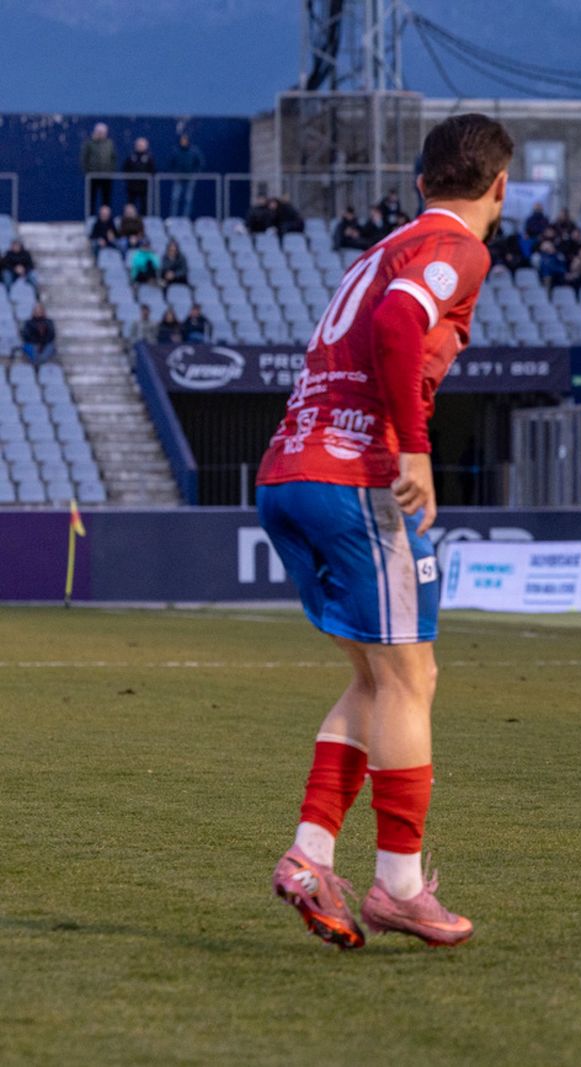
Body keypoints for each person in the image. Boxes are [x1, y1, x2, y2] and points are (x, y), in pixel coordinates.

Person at [256, 112, 511, 951]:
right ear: (500, 188)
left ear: (419, 181)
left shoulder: (382, 246)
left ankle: (309, 855)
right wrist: (416, 448)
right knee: (413, 677)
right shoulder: (457, 249)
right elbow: (402, 324)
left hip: (289, 471)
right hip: (353, 476)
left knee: (379, 679)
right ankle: (398, 885)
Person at [81, 122, 118, 214]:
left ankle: (107, 218)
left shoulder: (110, 143)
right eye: (99, 132)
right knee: (91, 198)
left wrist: (111, 171)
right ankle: (91, 216)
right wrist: (88, 171)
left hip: (106, 176)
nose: (101, 134)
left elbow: (114, 158)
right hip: (93, 176)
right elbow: (84, 158)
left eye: (103, 132)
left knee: (106, 198)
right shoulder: (90, 143)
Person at [168, 133, 206, 218]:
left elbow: (200, 163)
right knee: (175, 198)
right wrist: (175, 173)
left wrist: (195, 173)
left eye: (185, 140)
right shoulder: (176, 150)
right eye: (182, 140)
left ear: (188, 141)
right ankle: (173, 217)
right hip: (178, 179)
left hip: (190, 178)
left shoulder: (194, 150)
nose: (183, 142)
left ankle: (186, 218)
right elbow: (170, 163)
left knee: (188, 199)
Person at [123, 137, 156, 217]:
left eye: (141, 145)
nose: (140, 147)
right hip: (132, 186)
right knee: (131, 205)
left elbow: (153, 170)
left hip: (144, 186)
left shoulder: (149, 158)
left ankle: (144, 220)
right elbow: (125, 168)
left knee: (144, 205)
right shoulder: (131, 157)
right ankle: (129, 219)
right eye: (138, 145)